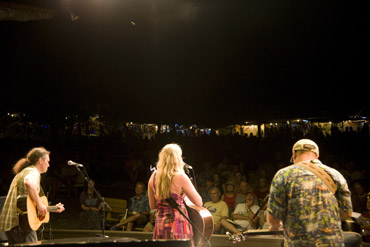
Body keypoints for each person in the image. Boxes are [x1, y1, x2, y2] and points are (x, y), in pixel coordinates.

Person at [267, 139, 353, 247]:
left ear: (294, 154)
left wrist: (274, 226)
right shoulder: (336, 175)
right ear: (317, 156)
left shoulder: (283, 175)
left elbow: (273, 216)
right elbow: (347, 212)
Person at [0, 147, 65, 245]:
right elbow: (28, 182)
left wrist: (51, 208)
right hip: (21, 226)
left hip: (13, 224)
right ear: (40, 161)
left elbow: (26, 205)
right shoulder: (33, 172)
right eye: (47, 161)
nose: (49, 164)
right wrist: (39, 204)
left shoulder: (24, 171)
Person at [148, 144, 202, 245]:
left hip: (160, 224)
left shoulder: (153, 177)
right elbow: (199, 202)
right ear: (178, 158)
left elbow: (152, 206)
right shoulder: (180, 176)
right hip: (177, 224)